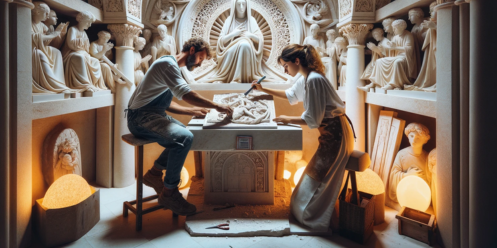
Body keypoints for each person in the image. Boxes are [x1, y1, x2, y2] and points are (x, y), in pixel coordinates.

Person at [250, 44, 355, 231]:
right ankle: (308, 215)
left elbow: (313, 118)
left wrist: (286, 119)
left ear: (296, 61)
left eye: (285, 65)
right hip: (329, 134)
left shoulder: (314, 79)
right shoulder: (305, 78)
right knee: (313, 177)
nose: (285, 69)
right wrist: (263, 89)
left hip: (337, 135)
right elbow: (290, 94)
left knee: (321, 178)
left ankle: (314, 220)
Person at [127, 37, 233, 215]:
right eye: (200, 58)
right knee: (185, 138)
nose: (199, 64)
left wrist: (191, 111)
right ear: (192, 50)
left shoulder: (173, 68)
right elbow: (186, 94)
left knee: (188, 133)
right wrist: (217, 105)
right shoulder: (168, 65)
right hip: (140, 117)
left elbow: (165, 104)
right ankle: (169, 193)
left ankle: (154, 174)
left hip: (154, 113)